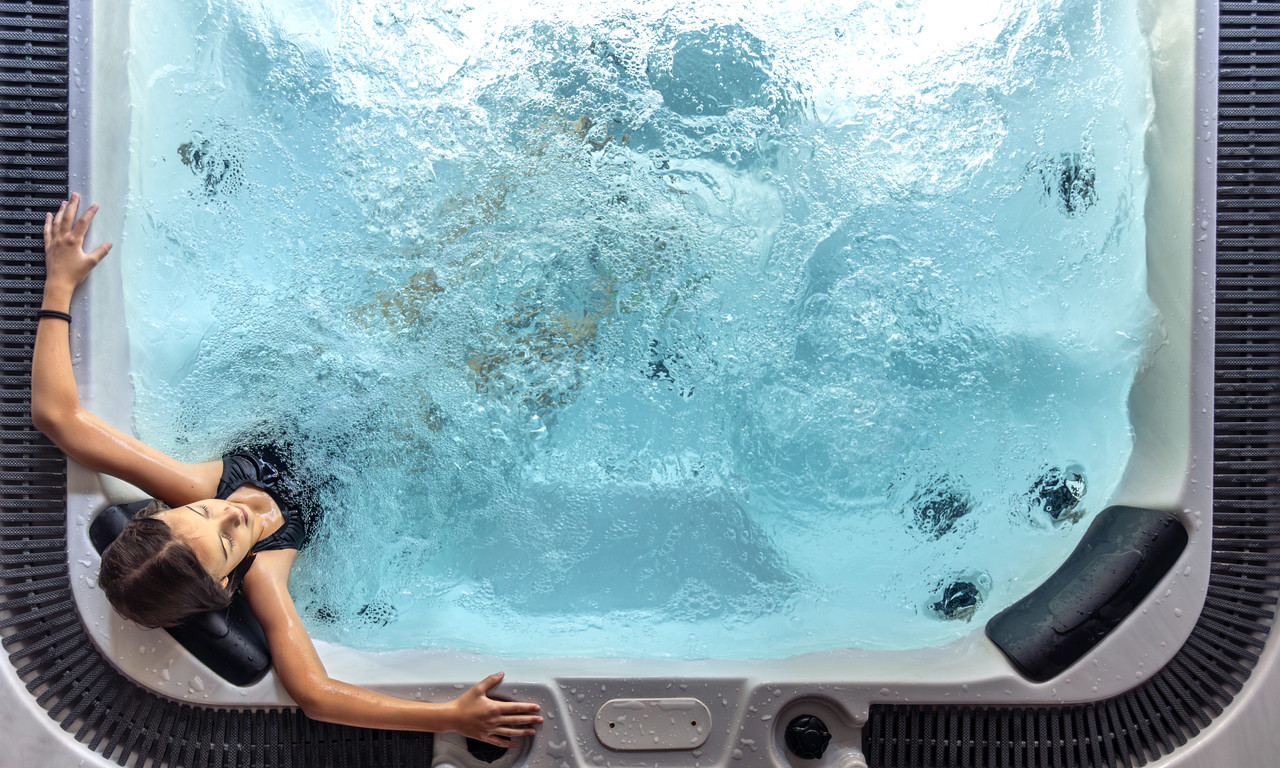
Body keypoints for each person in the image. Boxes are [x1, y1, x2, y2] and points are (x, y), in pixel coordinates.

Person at [32, 193, 542, 746]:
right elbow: (315, 695)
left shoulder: (198, 485)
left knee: (437, 272)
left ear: (173, 508)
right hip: (395, 443)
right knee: (521, 364)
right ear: (228, 581)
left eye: (204, 513)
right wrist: (450, 717)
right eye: (229, 540)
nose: (233, 512)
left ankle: (522, 181)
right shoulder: (266, 573)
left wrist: (58, 283)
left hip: (345, 379)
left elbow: (59, 418)